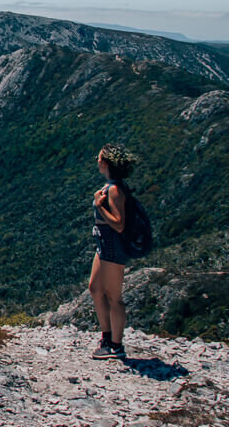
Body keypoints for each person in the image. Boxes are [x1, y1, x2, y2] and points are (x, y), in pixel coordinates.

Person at [88, 143, 138, 360]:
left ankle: (116, 345)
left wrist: (100, 206)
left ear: (106, 162)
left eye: (98, 157)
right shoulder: (111, 186)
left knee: (114, 296)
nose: (96, 160)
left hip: (112, 244)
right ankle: (106, 336)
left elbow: (119, 224)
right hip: (104, 243)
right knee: (95, 288)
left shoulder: (115, 190)